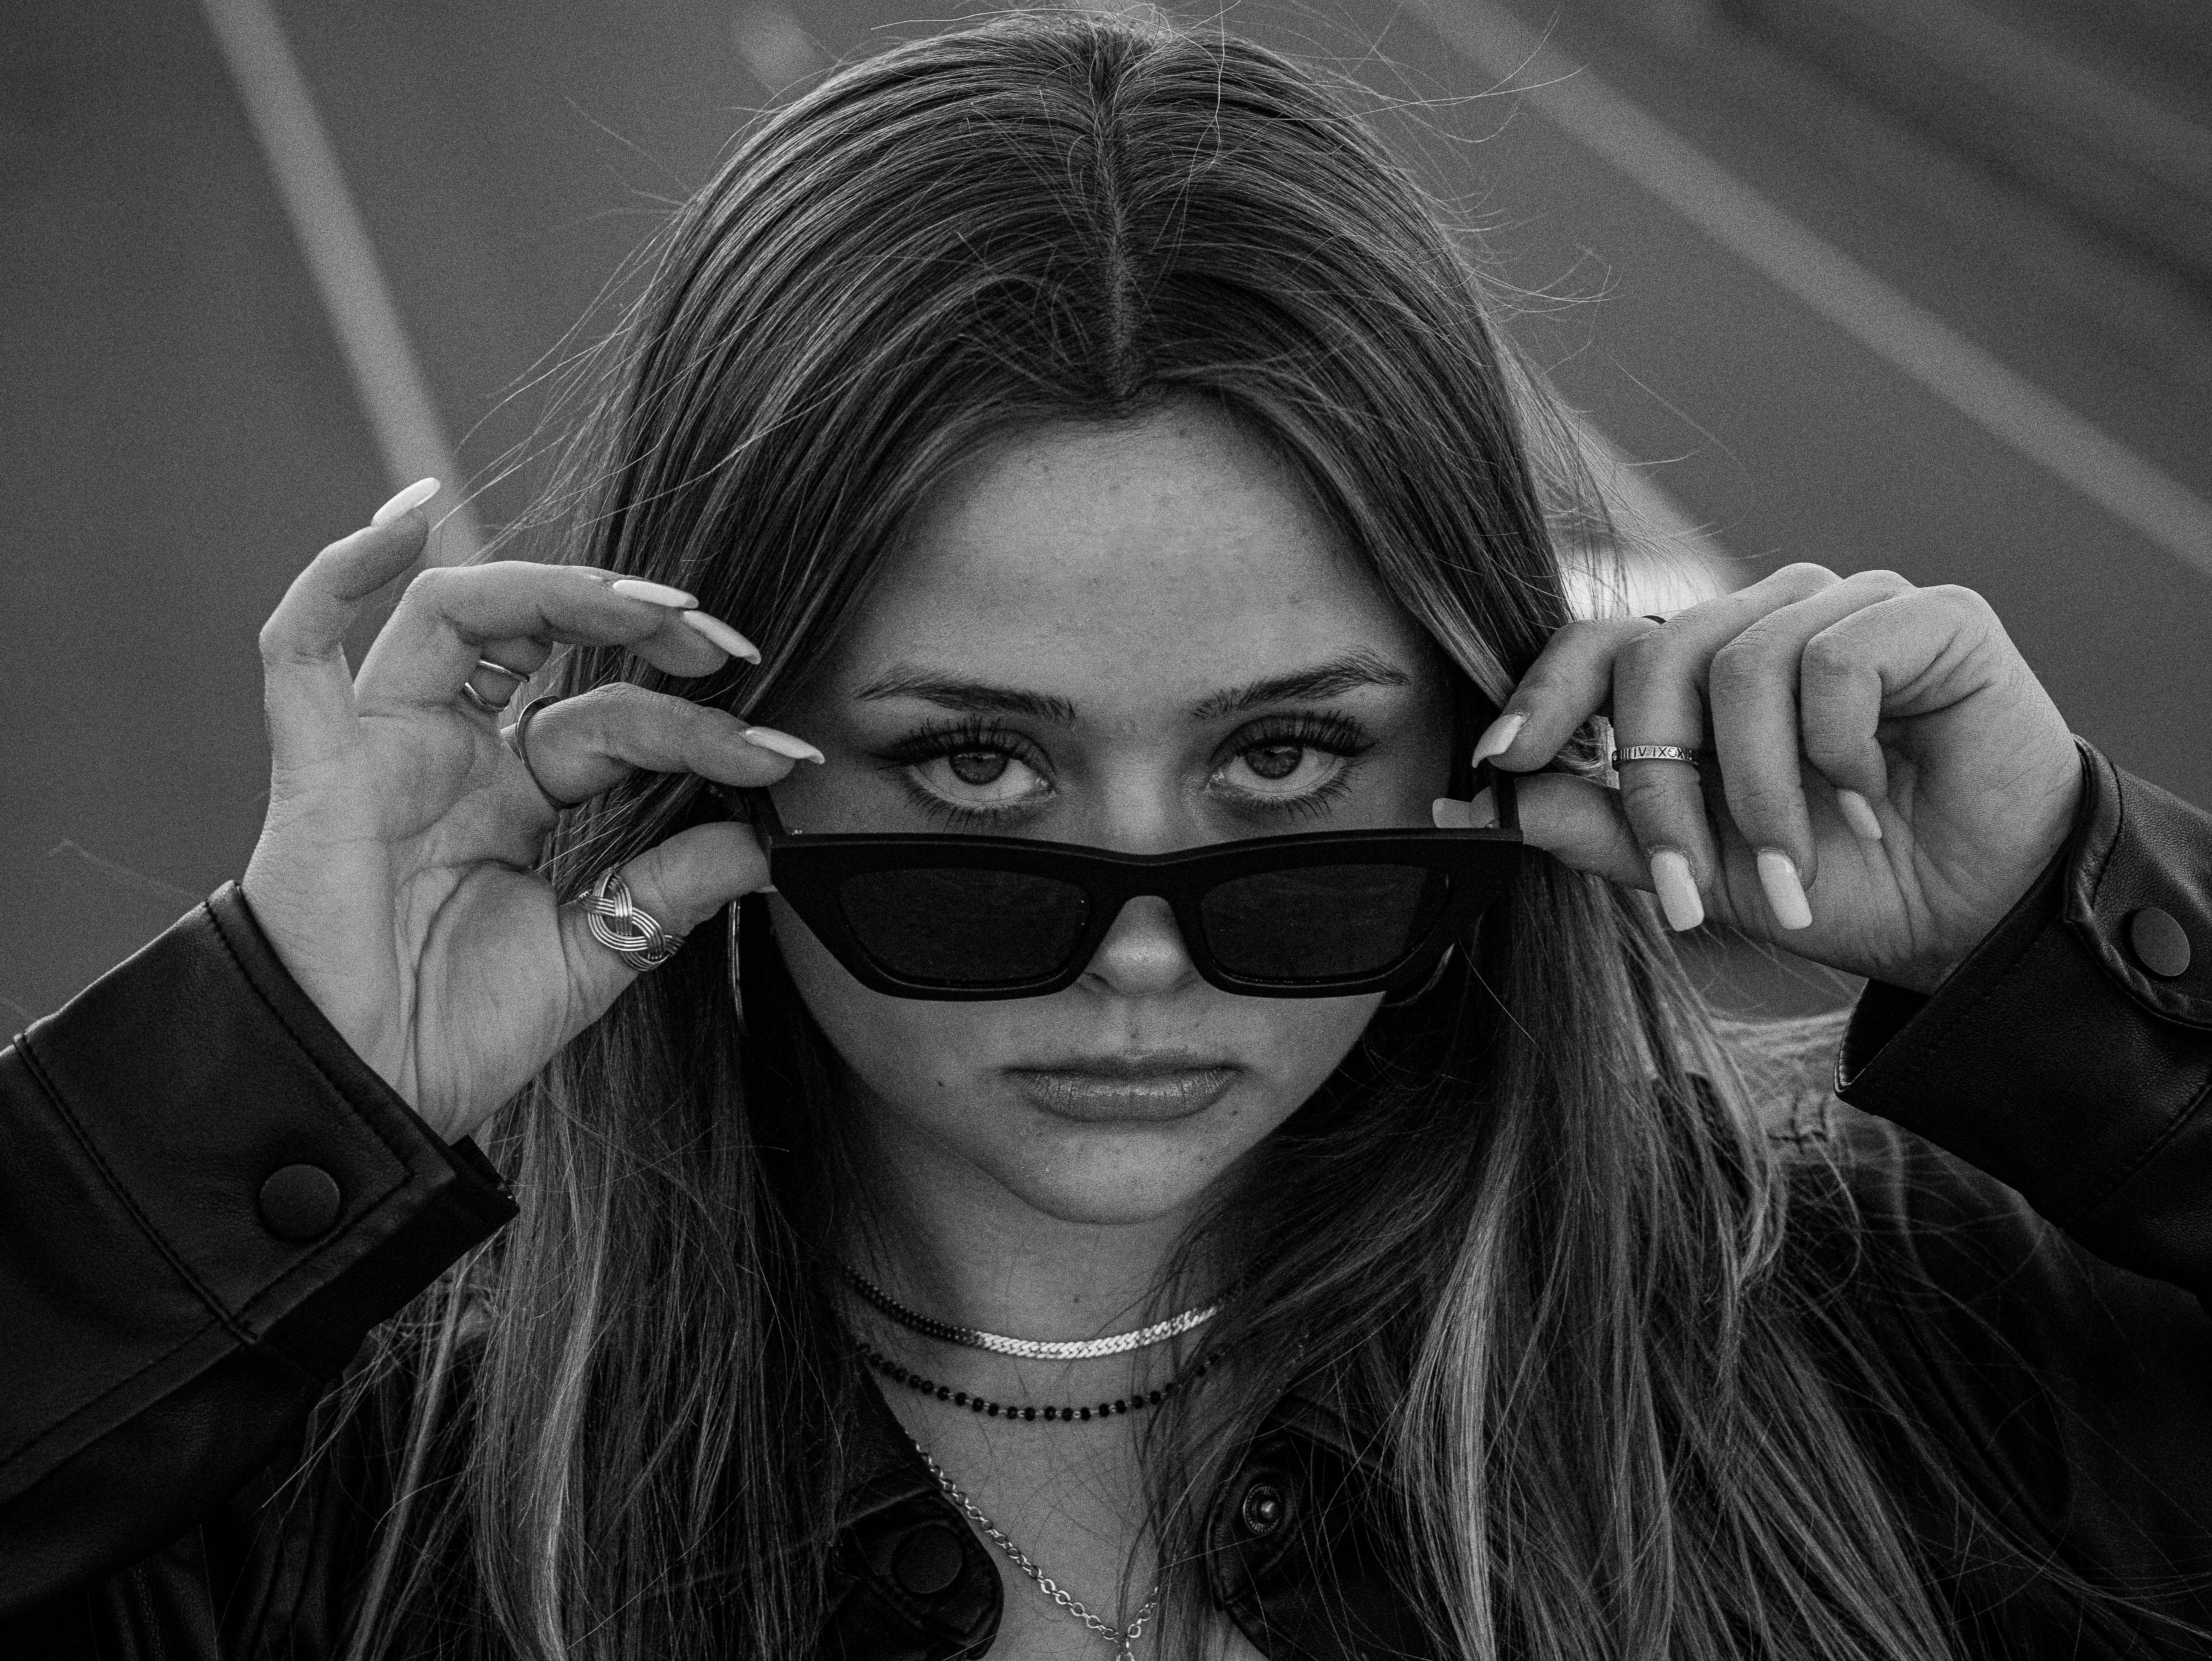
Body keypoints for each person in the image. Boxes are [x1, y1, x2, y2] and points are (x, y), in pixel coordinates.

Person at [3, 11, 2210, 1660]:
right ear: (698, 750)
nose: (1141, 959)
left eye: (1280, 768)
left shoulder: (1883, 1350)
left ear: (1491, 741)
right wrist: (269, 1073)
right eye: (976, 769)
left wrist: (2081, 927)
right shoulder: (350, 1515)